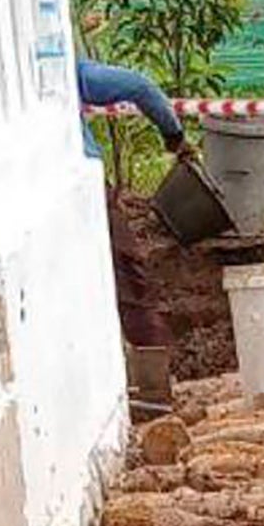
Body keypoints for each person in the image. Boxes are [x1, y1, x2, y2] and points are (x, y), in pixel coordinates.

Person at [78, 59, 186, 387]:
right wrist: (174, 135)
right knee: (130, 280)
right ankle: (155, 384)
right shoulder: (60, 63)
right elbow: (140, 86)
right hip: (84, 184)